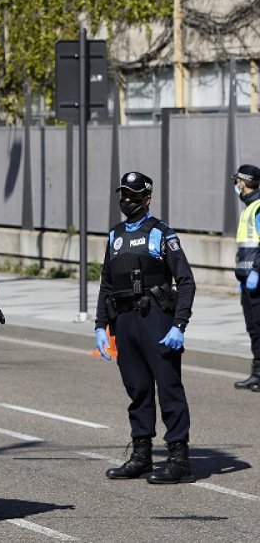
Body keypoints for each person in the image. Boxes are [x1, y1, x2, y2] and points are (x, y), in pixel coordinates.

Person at [94, 171, 196, 484]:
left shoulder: (162, 233)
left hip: (156, 319)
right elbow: (106, 284)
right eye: (123, 195)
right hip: (124, 322)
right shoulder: (115, 235)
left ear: (147, 198)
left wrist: (179, 324)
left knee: (168, 388)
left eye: (134, 196)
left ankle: (179, 458)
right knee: (137, 390)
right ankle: (142, 455)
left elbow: (187, 282)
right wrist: (101, 326)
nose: (127, 201)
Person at [231, 164, 260, 392]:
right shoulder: (249, 208)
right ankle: (257, 373)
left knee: (259, 328)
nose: (236, 185)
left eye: (237, 181)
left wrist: (257, 271)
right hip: (247, 280)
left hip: (257, 279)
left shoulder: (258, 207)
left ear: (244, 181)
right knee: (253, 328)